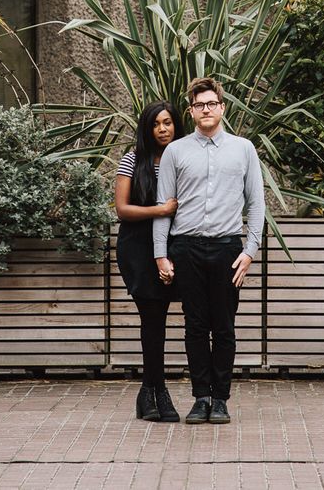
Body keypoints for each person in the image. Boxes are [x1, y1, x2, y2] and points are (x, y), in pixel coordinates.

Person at [153, 77, 265, 425]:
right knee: (195, 326)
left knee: (225, 327)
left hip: (227, 248)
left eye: (211, 104)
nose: (206, 109)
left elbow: (257, 204)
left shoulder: (243, 149)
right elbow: (164, 205)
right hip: (186, 248)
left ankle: (221, 400)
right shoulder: (176, 151)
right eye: (199, 105)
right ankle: (201, 398)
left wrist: (249, 251)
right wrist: (161, 254)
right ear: (191, 111)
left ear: (222, 108)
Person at [115, 100, 185, 422]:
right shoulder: (133, 160)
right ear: (147, 128)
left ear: (176, 125)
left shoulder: (184, 159)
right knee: (152, 319)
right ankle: (159, 392)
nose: (162, 129)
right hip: (138, 249)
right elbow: (122, 209)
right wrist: (160, 210)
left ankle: (148, 392)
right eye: (156, 124)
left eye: (168, 122)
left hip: (175, 247)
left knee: (162, 319)